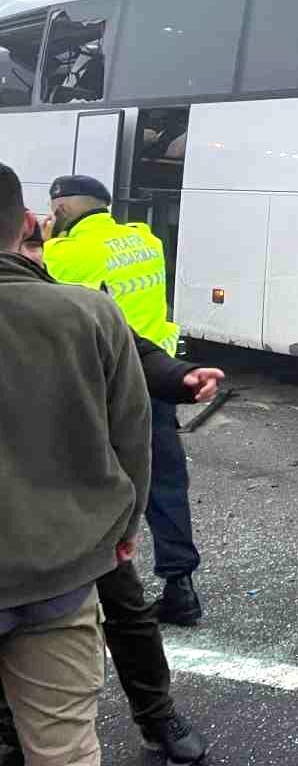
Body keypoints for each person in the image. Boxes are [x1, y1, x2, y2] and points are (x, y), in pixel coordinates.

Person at [0, 214, 217, 766]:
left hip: (72, 507)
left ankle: (156, 714)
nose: (37, 252)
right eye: (31, 241)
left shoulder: (67, 297)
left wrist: (177, 376)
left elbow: (128, 348)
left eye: (38, 244)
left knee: (125, 607)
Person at [0, 163, 150, 766]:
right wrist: (123, 532)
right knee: (64, 751)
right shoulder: (89, 315)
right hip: (57, 578)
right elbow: (133, 442)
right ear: (29, 224)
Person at [43, 175, 203, 625]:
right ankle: (180, 588)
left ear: (61, 210)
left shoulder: (66, 253)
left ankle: (80, 591)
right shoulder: (144, 239)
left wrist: (49, 237)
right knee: (164, 483)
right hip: (157, 376)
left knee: (87, 483)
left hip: (103, 383)